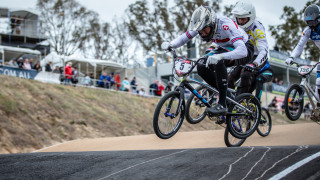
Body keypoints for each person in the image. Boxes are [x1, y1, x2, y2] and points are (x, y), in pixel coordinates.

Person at [163, 5, 254, 114]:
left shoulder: (226, 25)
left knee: (218, 61)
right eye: (200, 32)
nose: (203, 34)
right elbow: (185, 37)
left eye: (205, 30)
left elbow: (242, 51)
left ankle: (222, 104)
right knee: (201, 65)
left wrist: (221, 56)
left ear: (212, 23)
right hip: (225, 48)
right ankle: (225, 93)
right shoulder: (202, 25)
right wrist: (170, 45)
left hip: (244, 49)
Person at [229, 1, 273, 101]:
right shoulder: (234, 24)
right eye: (238, 18)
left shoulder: (257, 28)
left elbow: (264, 51)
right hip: (245, 54)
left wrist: (255, 64)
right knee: (230, 77)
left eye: (243, 19)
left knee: (246, 72)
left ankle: (240, 101)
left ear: (250, 17)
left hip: (258, 56)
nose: (240, 21)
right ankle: (230, 101)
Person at [286, 4, 320, 99]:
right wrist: (291, 57)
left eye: (313, 22)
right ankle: (317, 108)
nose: (311, 25)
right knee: (318, 82)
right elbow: (300, 46)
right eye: (308, 22)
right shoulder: (308, 30)